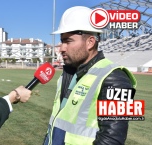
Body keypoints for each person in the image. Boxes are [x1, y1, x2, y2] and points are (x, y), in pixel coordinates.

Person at [43, 6, 137, 145]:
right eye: (62, 41)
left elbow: (112, 140)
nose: (61, 48)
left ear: (90, 42)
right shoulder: (68, 74)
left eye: (68, 41)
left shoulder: (117, 78)